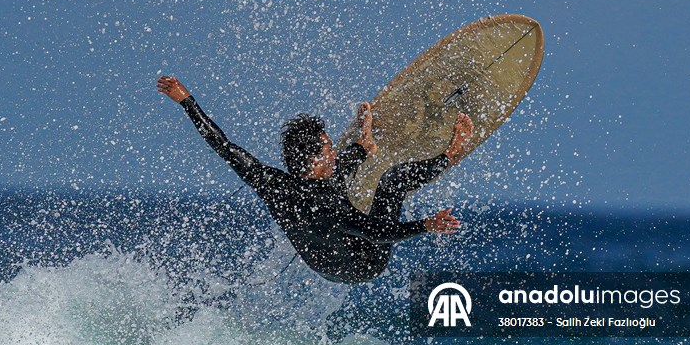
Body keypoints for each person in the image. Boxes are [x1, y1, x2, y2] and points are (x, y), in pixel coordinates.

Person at [157, 75, 472, 284]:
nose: (333, 152)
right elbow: (377, 233)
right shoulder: (327, 206)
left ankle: (365, 147)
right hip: (362, 264)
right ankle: (449, 155)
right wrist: (425, 225)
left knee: (333, 177)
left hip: (322, 266)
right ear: (312, 158)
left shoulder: (272, 183)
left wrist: (187, 101)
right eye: (329, 149)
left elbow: (224, 146)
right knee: (390, 182)